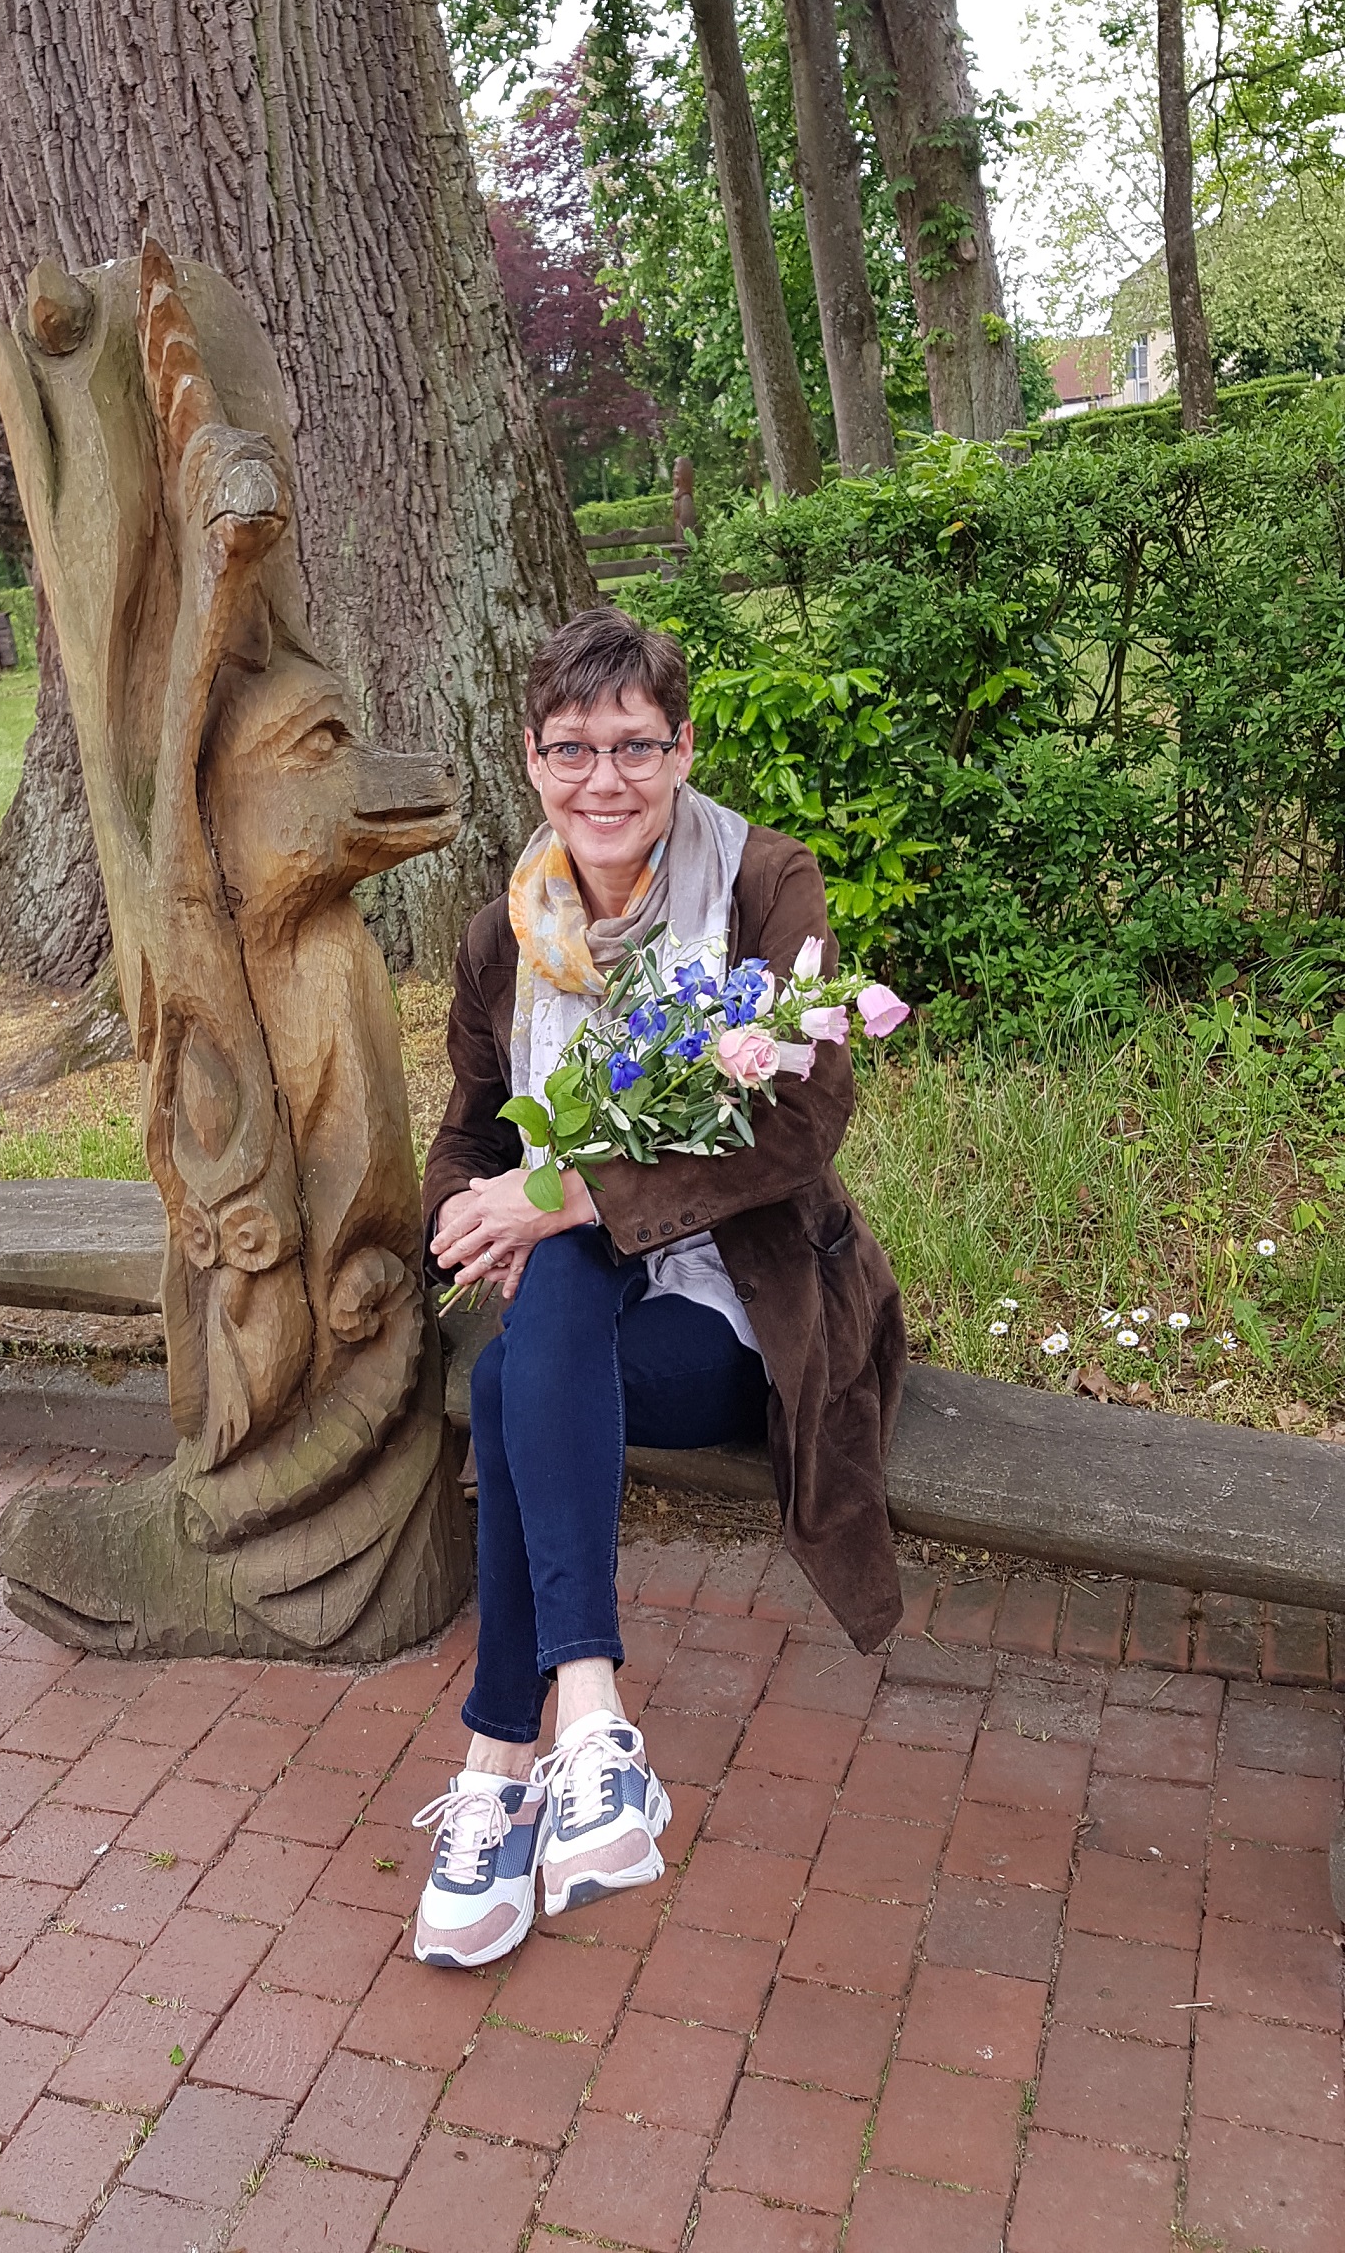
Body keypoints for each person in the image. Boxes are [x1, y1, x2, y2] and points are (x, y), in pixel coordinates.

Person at [412, 606, 906, 1969]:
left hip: (743, 1308)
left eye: (635, 746)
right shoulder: (502, 933)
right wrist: (466, 1210)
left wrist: (556, 1195)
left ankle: (504, 1756)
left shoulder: (761, 883)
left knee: (525, 1359)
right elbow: (467, 1132)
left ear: (684, 749)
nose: (605, 780)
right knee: (535, 1327)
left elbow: (803, 1123)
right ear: (532, 758)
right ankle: (571, 1736)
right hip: (580, 1312)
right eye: (573, 749)